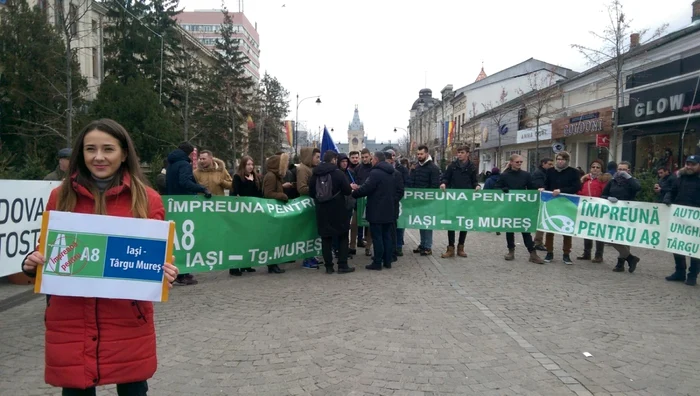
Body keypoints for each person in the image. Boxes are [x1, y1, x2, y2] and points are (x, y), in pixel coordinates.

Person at [21, 118, 179, 395]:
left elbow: (156, 259)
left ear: (124, 153)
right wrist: (32, 265)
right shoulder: (60, 196)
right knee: (75, 388)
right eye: (90, 149)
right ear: (81, 153)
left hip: (127, 318)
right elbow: (45, 253)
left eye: (108, 149)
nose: (98, 157)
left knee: (133, 387)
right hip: (70, 318)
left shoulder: (148, 199)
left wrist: (167, 273)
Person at [166, 142, 210, 285]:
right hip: (184, 205)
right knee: (185, 241)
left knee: (176, 240)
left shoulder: (171, 163)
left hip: (174, 204)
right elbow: (184, 182)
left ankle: (177, 271)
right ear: (190, 153)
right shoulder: (184, 164)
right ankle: (182, 273)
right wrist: (202, 188)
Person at [309, 151, 355, 274]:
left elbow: (311, 192)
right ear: (334, 160)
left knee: (326, 238)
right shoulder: (338, 174)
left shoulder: (315, 174)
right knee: (343, 236)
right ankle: (342, 265)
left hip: (322, 210)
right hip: (338, 210)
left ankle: (328, 266)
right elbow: (347, 191)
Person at [495, 154, 545, 264]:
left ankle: (532, 253)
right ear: (511, 162)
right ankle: (511, 251)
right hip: (509, 206)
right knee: (509, 230)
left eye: (521, 162)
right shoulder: (504, 175)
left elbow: (531, 187)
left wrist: (538, 189)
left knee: (525, 230)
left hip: (522, 206)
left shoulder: (526, 175)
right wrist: (503, 189)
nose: (519, 164)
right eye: (517, 162)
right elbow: (496, 187)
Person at [351, 151, 396, 270]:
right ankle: (387, 261)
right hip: (389, 209)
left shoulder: (375, 172)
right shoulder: (392, 172)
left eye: (373, 159)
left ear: (376, 159)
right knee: (386, 236)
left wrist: (354, 194)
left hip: (377, 209)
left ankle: (377, 262)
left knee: (377, 237)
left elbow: (367, 188)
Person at [663, 155, 700, 285]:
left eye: (693, 164)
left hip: (696, 220)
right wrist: (668, 198)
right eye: (687, 164)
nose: (689, 167)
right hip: (679, 218)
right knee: (677, 245)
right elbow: (671, 191)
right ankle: (680, 272)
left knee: (694, 248)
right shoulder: (679, 178)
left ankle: (692, 275)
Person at [439, 146, 480, 258]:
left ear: (467, 154)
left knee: (463, 223)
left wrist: (477, 186)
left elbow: (474, 181)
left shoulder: (471, 167)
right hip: (453, 199)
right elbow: (446, 177)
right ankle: (450, 247)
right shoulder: (452, 166)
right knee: (451, 223)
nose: (459, 155)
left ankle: (461, 247)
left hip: (465, 199)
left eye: (462, 152)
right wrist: (444, 183)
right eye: (458, 153)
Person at [601, 161, 641, 273]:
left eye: (624, 170)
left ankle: (620, 263)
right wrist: (608, 198)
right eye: (619, 169)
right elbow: (603, 194)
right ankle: (631, 258)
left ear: (628, 171)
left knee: (624, 238)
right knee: (611, 237)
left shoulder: (632, 181)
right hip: (613, 214)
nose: (621, 172)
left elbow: (637, 188)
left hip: (627, 214)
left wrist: (628, 178)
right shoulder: (612, 181)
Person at [542, 151, 581, 265]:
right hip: (552, 202)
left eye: (562, 159)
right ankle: (549, 252)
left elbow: (576, 186)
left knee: (567, 228)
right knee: (549, 227)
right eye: (558, 159)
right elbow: (546, 184)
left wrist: (561, 191)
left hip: (567, 203)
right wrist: (543, 189)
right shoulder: (550, 171)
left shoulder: (573, 172)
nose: (560, 161)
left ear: (567, 161)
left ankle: (566, 254)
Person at [229, 155, 262, 276]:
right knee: (239, 240)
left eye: (252, 164)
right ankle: (234, 267)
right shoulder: (238, 177)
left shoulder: (257, 177)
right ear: (243, 165)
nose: (250, 167)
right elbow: (234, 193)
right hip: (241, 213)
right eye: (248, 164)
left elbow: (259, 194)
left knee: (250, 239)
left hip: (252, 213)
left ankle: (246, 264)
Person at [576, 159, 611, 263]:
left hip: (599, 209)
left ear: (601, 169)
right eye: (593, 167)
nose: (595, 169)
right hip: (587, 209)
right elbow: (581, 192)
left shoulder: (604, 180)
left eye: (598, 167)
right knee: (587, 231)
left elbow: (605, 193)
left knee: (598, 232)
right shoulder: (586, 180)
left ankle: (598, 255)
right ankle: (587, 253)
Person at [262, 153, 292, 274]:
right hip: (271, 212)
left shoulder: (275, 176)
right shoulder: (271, 176)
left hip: (275, 211)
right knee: (272, 239)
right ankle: (272, 264)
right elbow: (268, 193)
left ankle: (274, 263)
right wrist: (282, 195)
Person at [410, 145, 440, 256]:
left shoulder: (433, 168)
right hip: (418, 201)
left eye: (421, 154)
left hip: (428, 201)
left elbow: (434, 185)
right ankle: (422, 244)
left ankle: (428, 246)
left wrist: (427, 196)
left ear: (426, 154)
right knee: (421, 223)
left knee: (427, 223)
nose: (419, 156)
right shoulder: (416, 167)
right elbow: (412, 182)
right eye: (418, 154)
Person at [296, 147, 322, 269]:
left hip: (313, 203)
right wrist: (317, 189)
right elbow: (301, 188)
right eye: (317, 157)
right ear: (309, 157)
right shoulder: (302, 169)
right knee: (307, 232)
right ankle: (307, 259)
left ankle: (312, 255)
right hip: (306, 203)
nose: (319, 160)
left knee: (313, 231)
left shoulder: (312, 169)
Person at [384, 150, 405, 262]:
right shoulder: (379, 172)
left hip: (392, 207)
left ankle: (392, 253)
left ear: (391, 160)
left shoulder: (397, 173)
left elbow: (400, 191)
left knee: (392, 231)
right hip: (382, 208)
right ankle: (384, 253)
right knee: (384, 232)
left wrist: (392, 201)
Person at [531, 158, 553, 251]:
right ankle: (538, 241)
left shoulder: (547, 173)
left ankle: (539, 241)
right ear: (543, 164)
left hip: (546, 199)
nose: (551, 166)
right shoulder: (539, 173)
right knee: (542, 220)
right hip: (541, 199)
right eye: (550, 164)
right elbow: (539, 185)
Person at [355, 149, 374, 255]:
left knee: (370, 223)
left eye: (366, 157)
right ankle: (357, 241)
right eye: (362, 157)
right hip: (360, 198)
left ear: (370, 156)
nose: (364, 159)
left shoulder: (374, 168)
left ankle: (368, 246)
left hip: (371, 198)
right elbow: (356, 181)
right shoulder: (358, 168)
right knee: (358, 221)